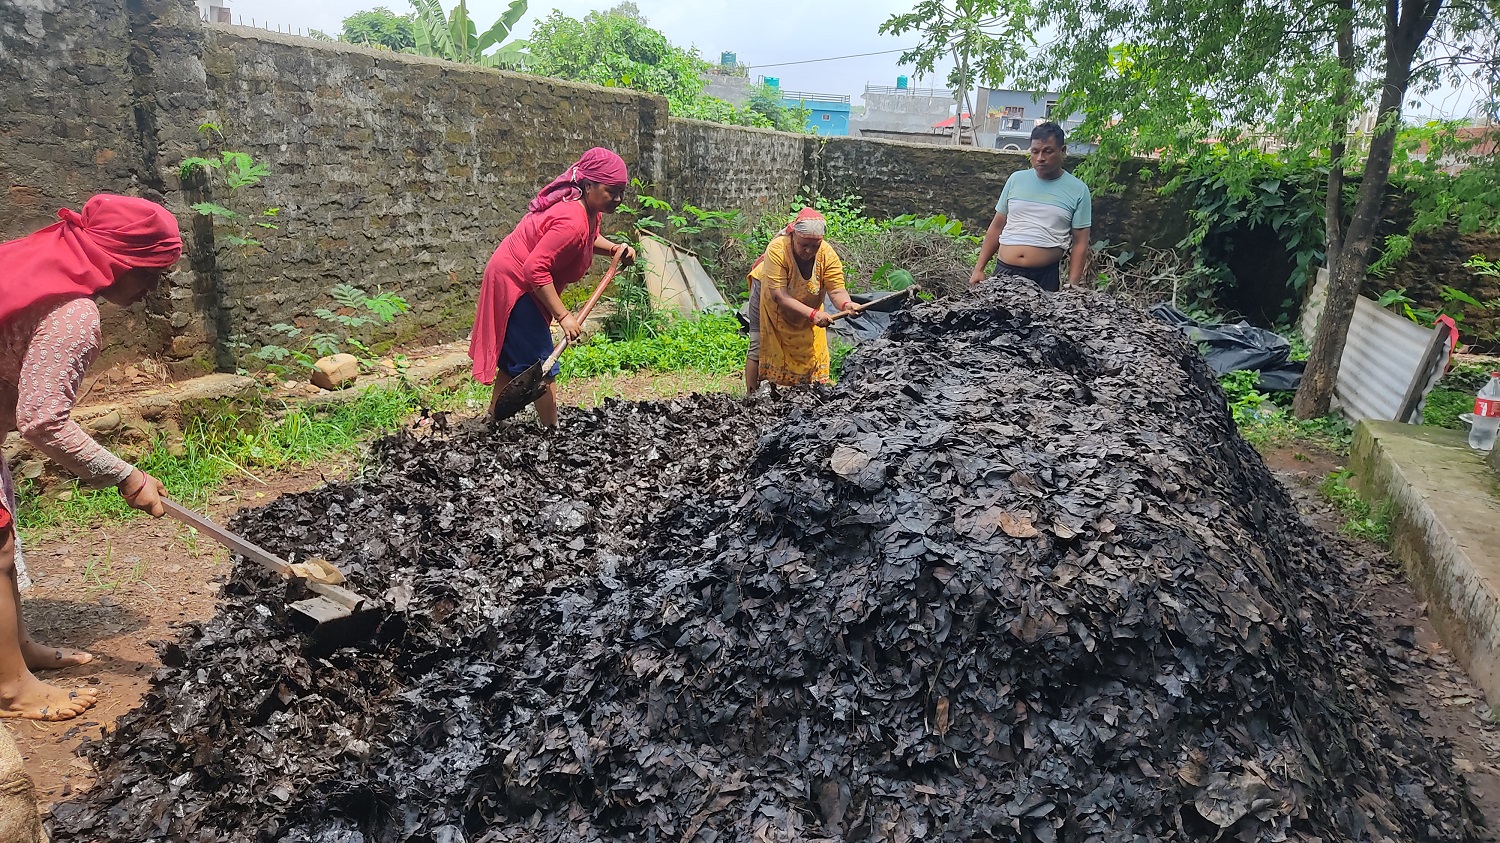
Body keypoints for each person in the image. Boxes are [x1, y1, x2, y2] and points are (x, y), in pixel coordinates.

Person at [0, 194, 179, 720]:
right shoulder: (74, 313)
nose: (153, 287)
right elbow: (42, 420)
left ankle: (16, 647)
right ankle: (10, 688)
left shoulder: (34, 262)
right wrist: (125, 475)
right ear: (122, 263)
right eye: (152, 272)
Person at [470, 148, 635, 426]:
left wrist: (614, 249)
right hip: (517, 284)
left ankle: (492, 420)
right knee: (542, 366)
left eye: (621, 192)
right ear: (589, 185)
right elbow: (534, 269)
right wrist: (563, 316)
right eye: (611, 191)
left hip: (523, 279)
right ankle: (552, 430)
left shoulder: (588, 209)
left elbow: (588, 238)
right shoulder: (572, 218)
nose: (617, 199)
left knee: (517, 361)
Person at [969, 122, 1092, 291]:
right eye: (1035, 151)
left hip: (1044, 277)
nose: (1040, 157)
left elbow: (1080, 243)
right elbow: (997, 226)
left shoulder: (1078, 190)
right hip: (1004, 272)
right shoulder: (1016, 180)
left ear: (1062, 151)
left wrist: (1073, 285)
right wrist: (979, 268)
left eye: (1047, 151)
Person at [745, 208, 858, 389]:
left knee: (808, 346)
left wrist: (847, 304)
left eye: (815, 246)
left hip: (806, 305)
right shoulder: (778, 249)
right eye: (804, 244)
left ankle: (803, 392)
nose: (809, 251)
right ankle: (750, 397)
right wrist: (813, 314)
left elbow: (836, 291)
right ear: (793, 237)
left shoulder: (827, 254)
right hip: (769, 295)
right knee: (759, 343)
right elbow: (779, 295)